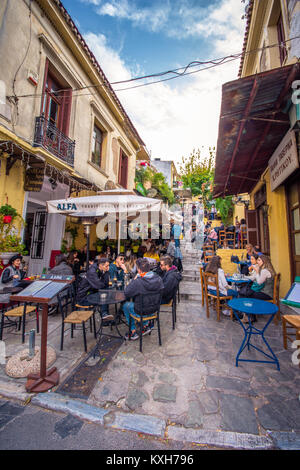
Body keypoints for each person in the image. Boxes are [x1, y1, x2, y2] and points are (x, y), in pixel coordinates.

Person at [122, 258, 164, 340]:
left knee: (126, 305)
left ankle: (132, 332)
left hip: (141, 310)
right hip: (154, 309)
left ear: (139, 270)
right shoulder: (158, 278)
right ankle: (145, 325)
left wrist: (134, 279)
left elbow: (127, 293)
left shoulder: (138, 281)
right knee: (142, 303)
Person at [239, 254, 276, 322]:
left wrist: (257, 271)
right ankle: (250, 316)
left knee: (248, 294)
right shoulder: (267, 269)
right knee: (248, 292)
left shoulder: (264, 271)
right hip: (267, 292)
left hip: (266, 294)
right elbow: (255, 278)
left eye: (259, 260)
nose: (257, 261)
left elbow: (259, 282)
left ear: (264, 261)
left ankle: (249, 316)